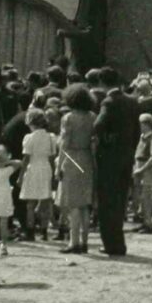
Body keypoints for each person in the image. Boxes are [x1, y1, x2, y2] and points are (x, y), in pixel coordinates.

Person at [92, 69, 140, 257]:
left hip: (109, 158)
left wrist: (103, 141)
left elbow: (98, 125)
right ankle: (119, 243)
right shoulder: (131, 101)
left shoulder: (108, 102)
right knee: (120, 201)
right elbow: (136, 131)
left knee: (106, 201)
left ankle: (110, 243)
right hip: (126, 156)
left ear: (102, 83)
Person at [57, 85, 96, 253]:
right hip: (87, 158)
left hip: (72, 158)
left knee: (73, 204)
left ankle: (74, 242)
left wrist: (59, 165)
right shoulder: (92, 116)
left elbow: (64, 144)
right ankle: (85, 241)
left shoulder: (68, 118)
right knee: (84, 204)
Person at [18, 108, 56, 241]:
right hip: (46, 168)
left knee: (30, 203)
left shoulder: (29, 138)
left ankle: (30, 232)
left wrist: (21, 176)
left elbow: (26, 158)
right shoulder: (51, 138)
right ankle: (44, 231)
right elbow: (52, 158)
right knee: (45, 201)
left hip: (33, 168)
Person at [131, 114, 152, 234]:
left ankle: (149, 224)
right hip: (139, 166)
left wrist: (142, 169)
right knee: (141, 197)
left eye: (142, 124)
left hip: (147, 169)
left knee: (146, 197)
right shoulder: (142, 137)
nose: (140, 127)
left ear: (148, 124)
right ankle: (144, 222)